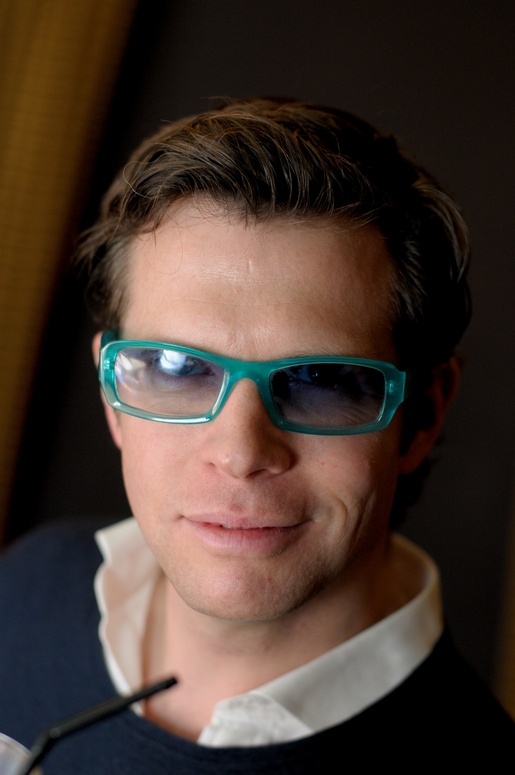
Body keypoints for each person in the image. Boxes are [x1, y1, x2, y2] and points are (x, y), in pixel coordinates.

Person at [1, 97, 513, 772]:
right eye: (176, 367)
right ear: (112, 396)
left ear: (422, 414)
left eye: (322, 381)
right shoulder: (25, 586)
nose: (240, 453)